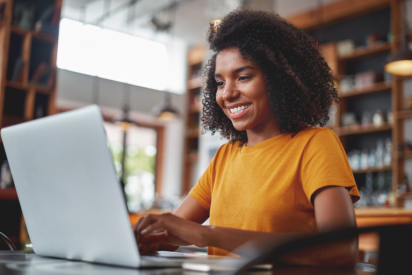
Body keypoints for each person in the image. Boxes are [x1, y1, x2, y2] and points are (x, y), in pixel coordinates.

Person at [134, 7, 360, 268]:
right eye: (219, 83)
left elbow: (340, 252)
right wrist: (137, 238)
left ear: (279, 80)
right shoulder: (225, 156)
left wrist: (209, 234)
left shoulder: (315, 144)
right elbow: (169, 237)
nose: (227, 94)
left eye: (243, 77)